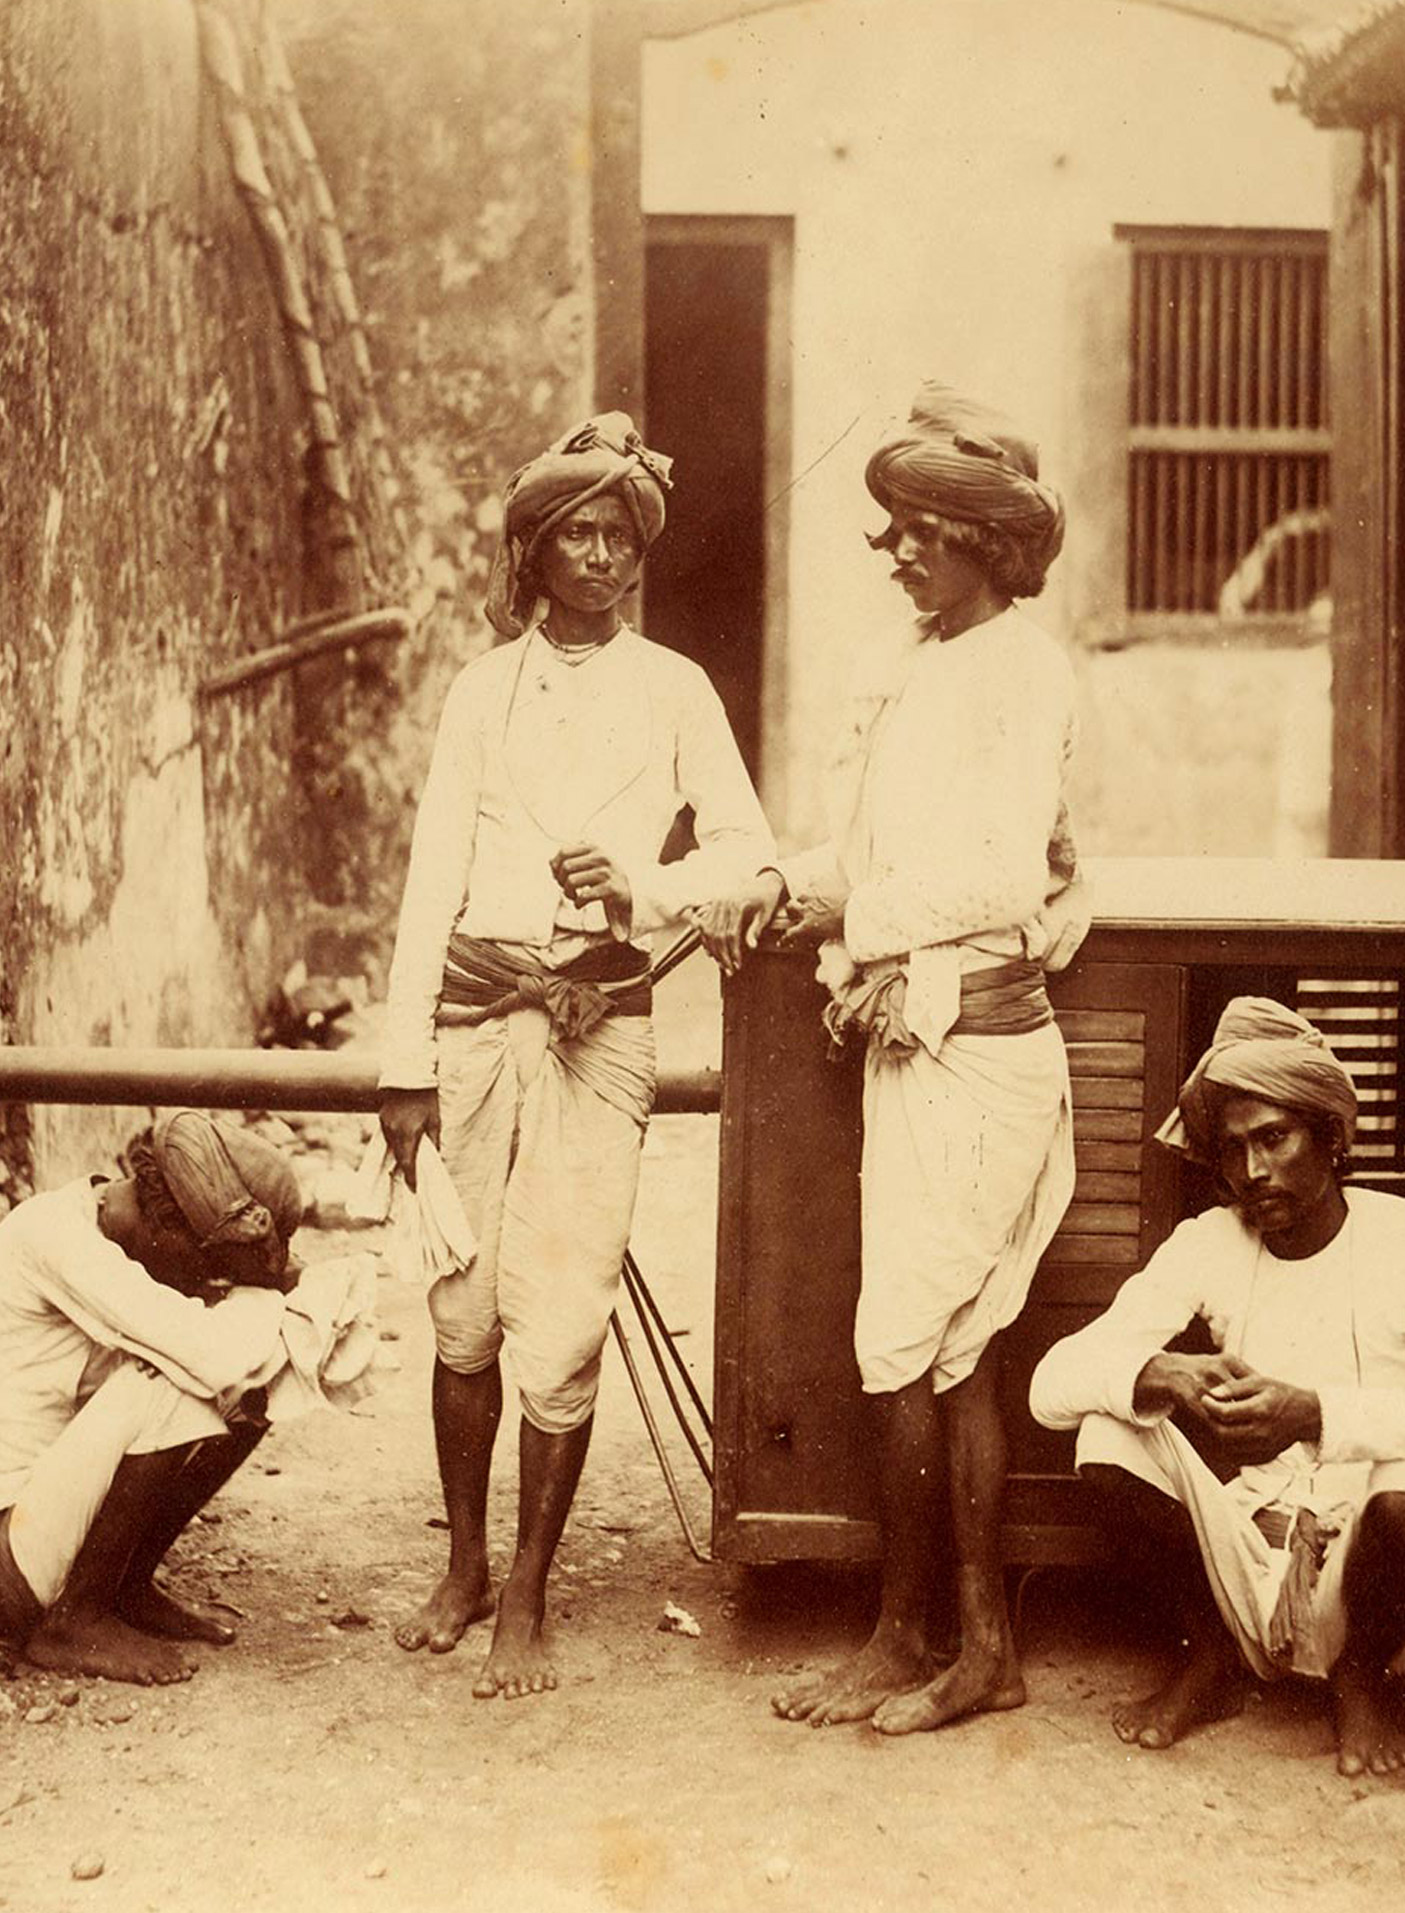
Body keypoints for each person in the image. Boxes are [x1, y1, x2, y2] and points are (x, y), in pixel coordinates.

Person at [702, 383, 1089, 1735]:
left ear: (994, 540)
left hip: (982, 1056)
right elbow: (867, 865)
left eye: (930, 530)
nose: (905, 553)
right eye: (897, 533)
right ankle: (948, 1635)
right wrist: (754, 886)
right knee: (934, 1351)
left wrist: (849, 922)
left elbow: (988, 877)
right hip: (912, 1050)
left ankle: (927, 1636)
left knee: (930, 1342)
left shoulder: (1027, 670)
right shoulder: (923, 671)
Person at [378, 412, 774, 1702]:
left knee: (564, 1315)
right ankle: (467, 1564)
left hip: (600, 1032)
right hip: (471, 1022)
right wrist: (402, 1069)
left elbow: (750, 858)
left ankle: (532, 1593)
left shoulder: (675, 689)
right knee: (463, 1306)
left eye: (618, 536)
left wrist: (647, 886)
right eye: (574, 535)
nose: (599, 557)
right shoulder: (480, 691)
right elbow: (433, 874)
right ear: (533, 552)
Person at [1029, 997, 1405, 1777]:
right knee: (1107, 1431)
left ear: (1332, 1134)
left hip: (1368, 1572)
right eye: (1233, 1149)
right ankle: (1209, 1656)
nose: (1253, 1171)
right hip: (1246, 1563)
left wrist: (1314, 1413)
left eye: (1275, 1138)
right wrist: (1161, 1372)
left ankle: (1361, 1678)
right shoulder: (1210, 1242)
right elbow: (1051, 1383)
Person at [0, 1110, 304, 1686]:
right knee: (179, 1377)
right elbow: (211, 1353)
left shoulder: (113, 1226)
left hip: (34, 1527)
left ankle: (124, 1587)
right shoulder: (58, 1239)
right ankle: (73, 1621)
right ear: (166, 1224)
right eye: (204, 1264)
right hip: (6, 1561)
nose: (205, 1280)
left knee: (253, 1381)